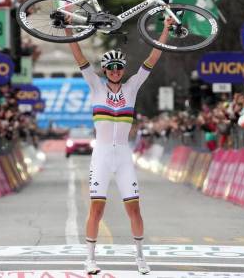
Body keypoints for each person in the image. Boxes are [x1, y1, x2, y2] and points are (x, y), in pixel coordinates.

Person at [66, 17, 174, 275]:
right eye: (110, 67)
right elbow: (78, 55)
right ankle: (89, 259)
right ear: (104, 70)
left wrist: (167, 29)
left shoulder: (132, 87)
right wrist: (68, 29)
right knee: (97, 208)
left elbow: (153, 57)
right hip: (101, 155)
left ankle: (140, 257)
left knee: (134, 209)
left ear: (123, 70)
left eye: (118, 67)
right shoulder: (95, 86)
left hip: (124, 155)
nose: (115, 70)